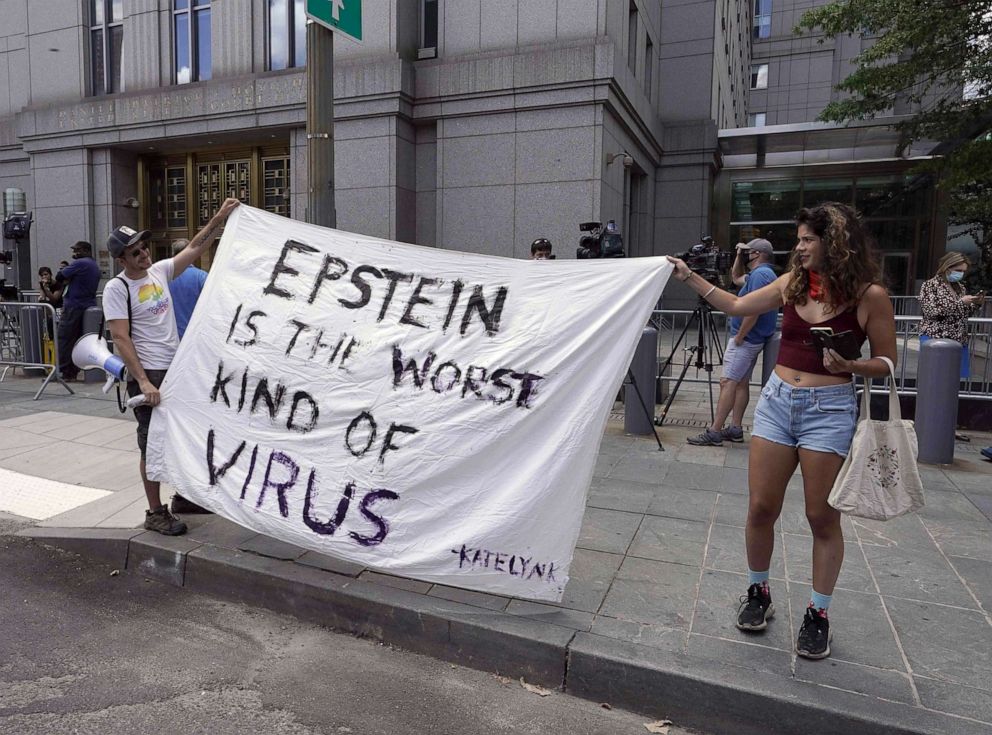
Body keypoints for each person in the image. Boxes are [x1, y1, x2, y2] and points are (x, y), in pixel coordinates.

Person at [668, 203, 897, 660]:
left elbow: (887, 362)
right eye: (800, 239)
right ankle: (758, 593)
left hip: (828, 410)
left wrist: (851, 365)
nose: (801, 246)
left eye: (809, 239)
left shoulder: (869, 295)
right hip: (776, 403)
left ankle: (818, 614)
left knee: (821, 516)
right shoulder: (792, 283)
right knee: (760, 507)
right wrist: (688, 275)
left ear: (836, 243)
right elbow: (734, 304)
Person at [102, 198, 240, 535]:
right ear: (122, 259)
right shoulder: (117, 288)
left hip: (177, 369)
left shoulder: (160, 271)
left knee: (183, 437)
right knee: (152, 444)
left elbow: (194, 247)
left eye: (144, 247)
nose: (143, 254)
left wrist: (219, 218)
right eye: (134, 252)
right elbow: (121, 338)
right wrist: (144, 382)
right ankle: (155, 512)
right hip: (150, 375)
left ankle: (184, 498)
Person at [687, 238, 778, 445]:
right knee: (740, 384)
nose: (745, 255)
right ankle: (735, 428)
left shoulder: (761, 275)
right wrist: (738, 255)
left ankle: (714, 431)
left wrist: (739, 336)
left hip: (746, 340)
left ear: (756, 254)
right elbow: (736, 278)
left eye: (747, 252)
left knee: (727, 382)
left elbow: (754, 309)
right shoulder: (762, 274)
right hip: (751, 339)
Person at [918, 251, 984, 380]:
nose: (961, 274)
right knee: (935, 379)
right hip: (936, 338)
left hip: (958, 340)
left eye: (964, 271)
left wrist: (975, 304)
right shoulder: (930, 285)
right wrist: (960, 302)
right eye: (958, 270)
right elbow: (932, 312)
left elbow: (962, 314)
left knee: (955, 379)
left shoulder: (960, 287)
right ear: (947, 267)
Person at [54, 242, 101, 382]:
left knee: (65, 337)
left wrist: (66, 273)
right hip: (87, 305)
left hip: (74, 305)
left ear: (86, 250)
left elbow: (59, 276)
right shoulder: (93, 264)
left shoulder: (81, 263)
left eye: (77, 250)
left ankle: (63, 371)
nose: (74, 252)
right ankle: (73, 370)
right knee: (78, 339)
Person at [167, 238, 208, 339]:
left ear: (173, 255)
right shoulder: (202, 277)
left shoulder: (163, 278)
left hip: (169, 337)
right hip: (195, 336)